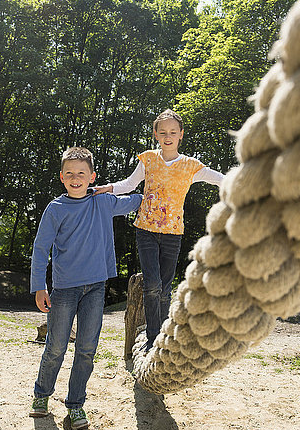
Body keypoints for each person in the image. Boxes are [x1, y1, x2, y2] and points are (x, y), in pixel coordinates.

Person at [29, 146, 142, 429]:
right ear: (61, 177)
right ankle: (41, 395)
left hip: (95, 288)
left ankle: (76, 404)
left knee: (87, 349)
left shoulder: (103, 202)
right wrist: (39, 286)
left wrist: (160, 178)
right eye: (70, 174)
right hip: (64, 289)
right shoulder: (55, 209)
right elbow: (41, 249)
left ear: (92, 177)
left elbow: (138, 200)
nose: (76, 178)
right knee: (55, 347)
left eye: (81, 173)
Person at [94, 109, 224, 353]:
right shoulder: (149, 160)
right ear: (155, 134)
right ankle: (152, 337)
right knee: (152, 284)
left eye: (173, 132)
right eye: (163, 132)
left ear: (181, 135)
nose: (168, 136)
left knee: (165, 288)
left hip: (173, 233)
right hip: (146, 230)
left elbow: (218, 179)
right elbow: (130, 184)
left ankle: (164, 334)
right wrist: (108, 188)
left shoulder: (190, 166)